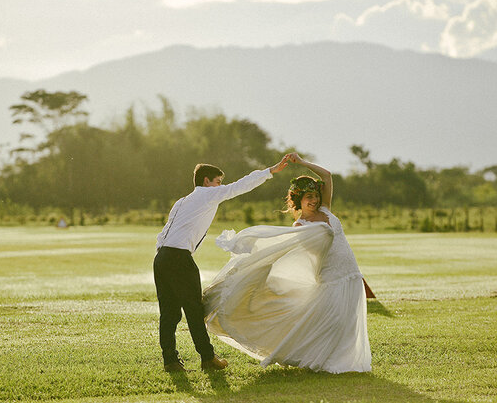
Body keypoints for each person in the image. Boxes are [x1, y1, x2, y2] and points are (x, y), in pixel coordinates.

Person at [203, 153, 371, 373]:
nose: (314, 200)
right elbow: (285, 251)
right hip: (330, 280)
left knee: (348, 322)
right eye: (308, 197)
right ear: (298, 200)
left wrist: (301, 163)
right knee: (334, 322)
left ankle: (341, 360)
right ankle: (325, 361)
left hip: (351, 274)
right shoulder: (299, 226)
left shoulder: (326, 210)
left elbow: (328, 176)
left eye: (315, 196)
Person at [154, 155, 291, 372]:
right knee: (194, 309)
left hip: (161, 257)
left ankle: (170, 360)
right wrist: (270, 171)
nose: (221, 186)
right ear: (207, 181)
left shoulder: (182, 201)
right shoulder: (208, 194)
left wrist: (164, 258)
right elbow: (239, 187)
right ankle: (208, 358)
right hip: (179, 258)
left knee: (169, 313)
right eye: (218, 182)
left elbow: (164, 233)